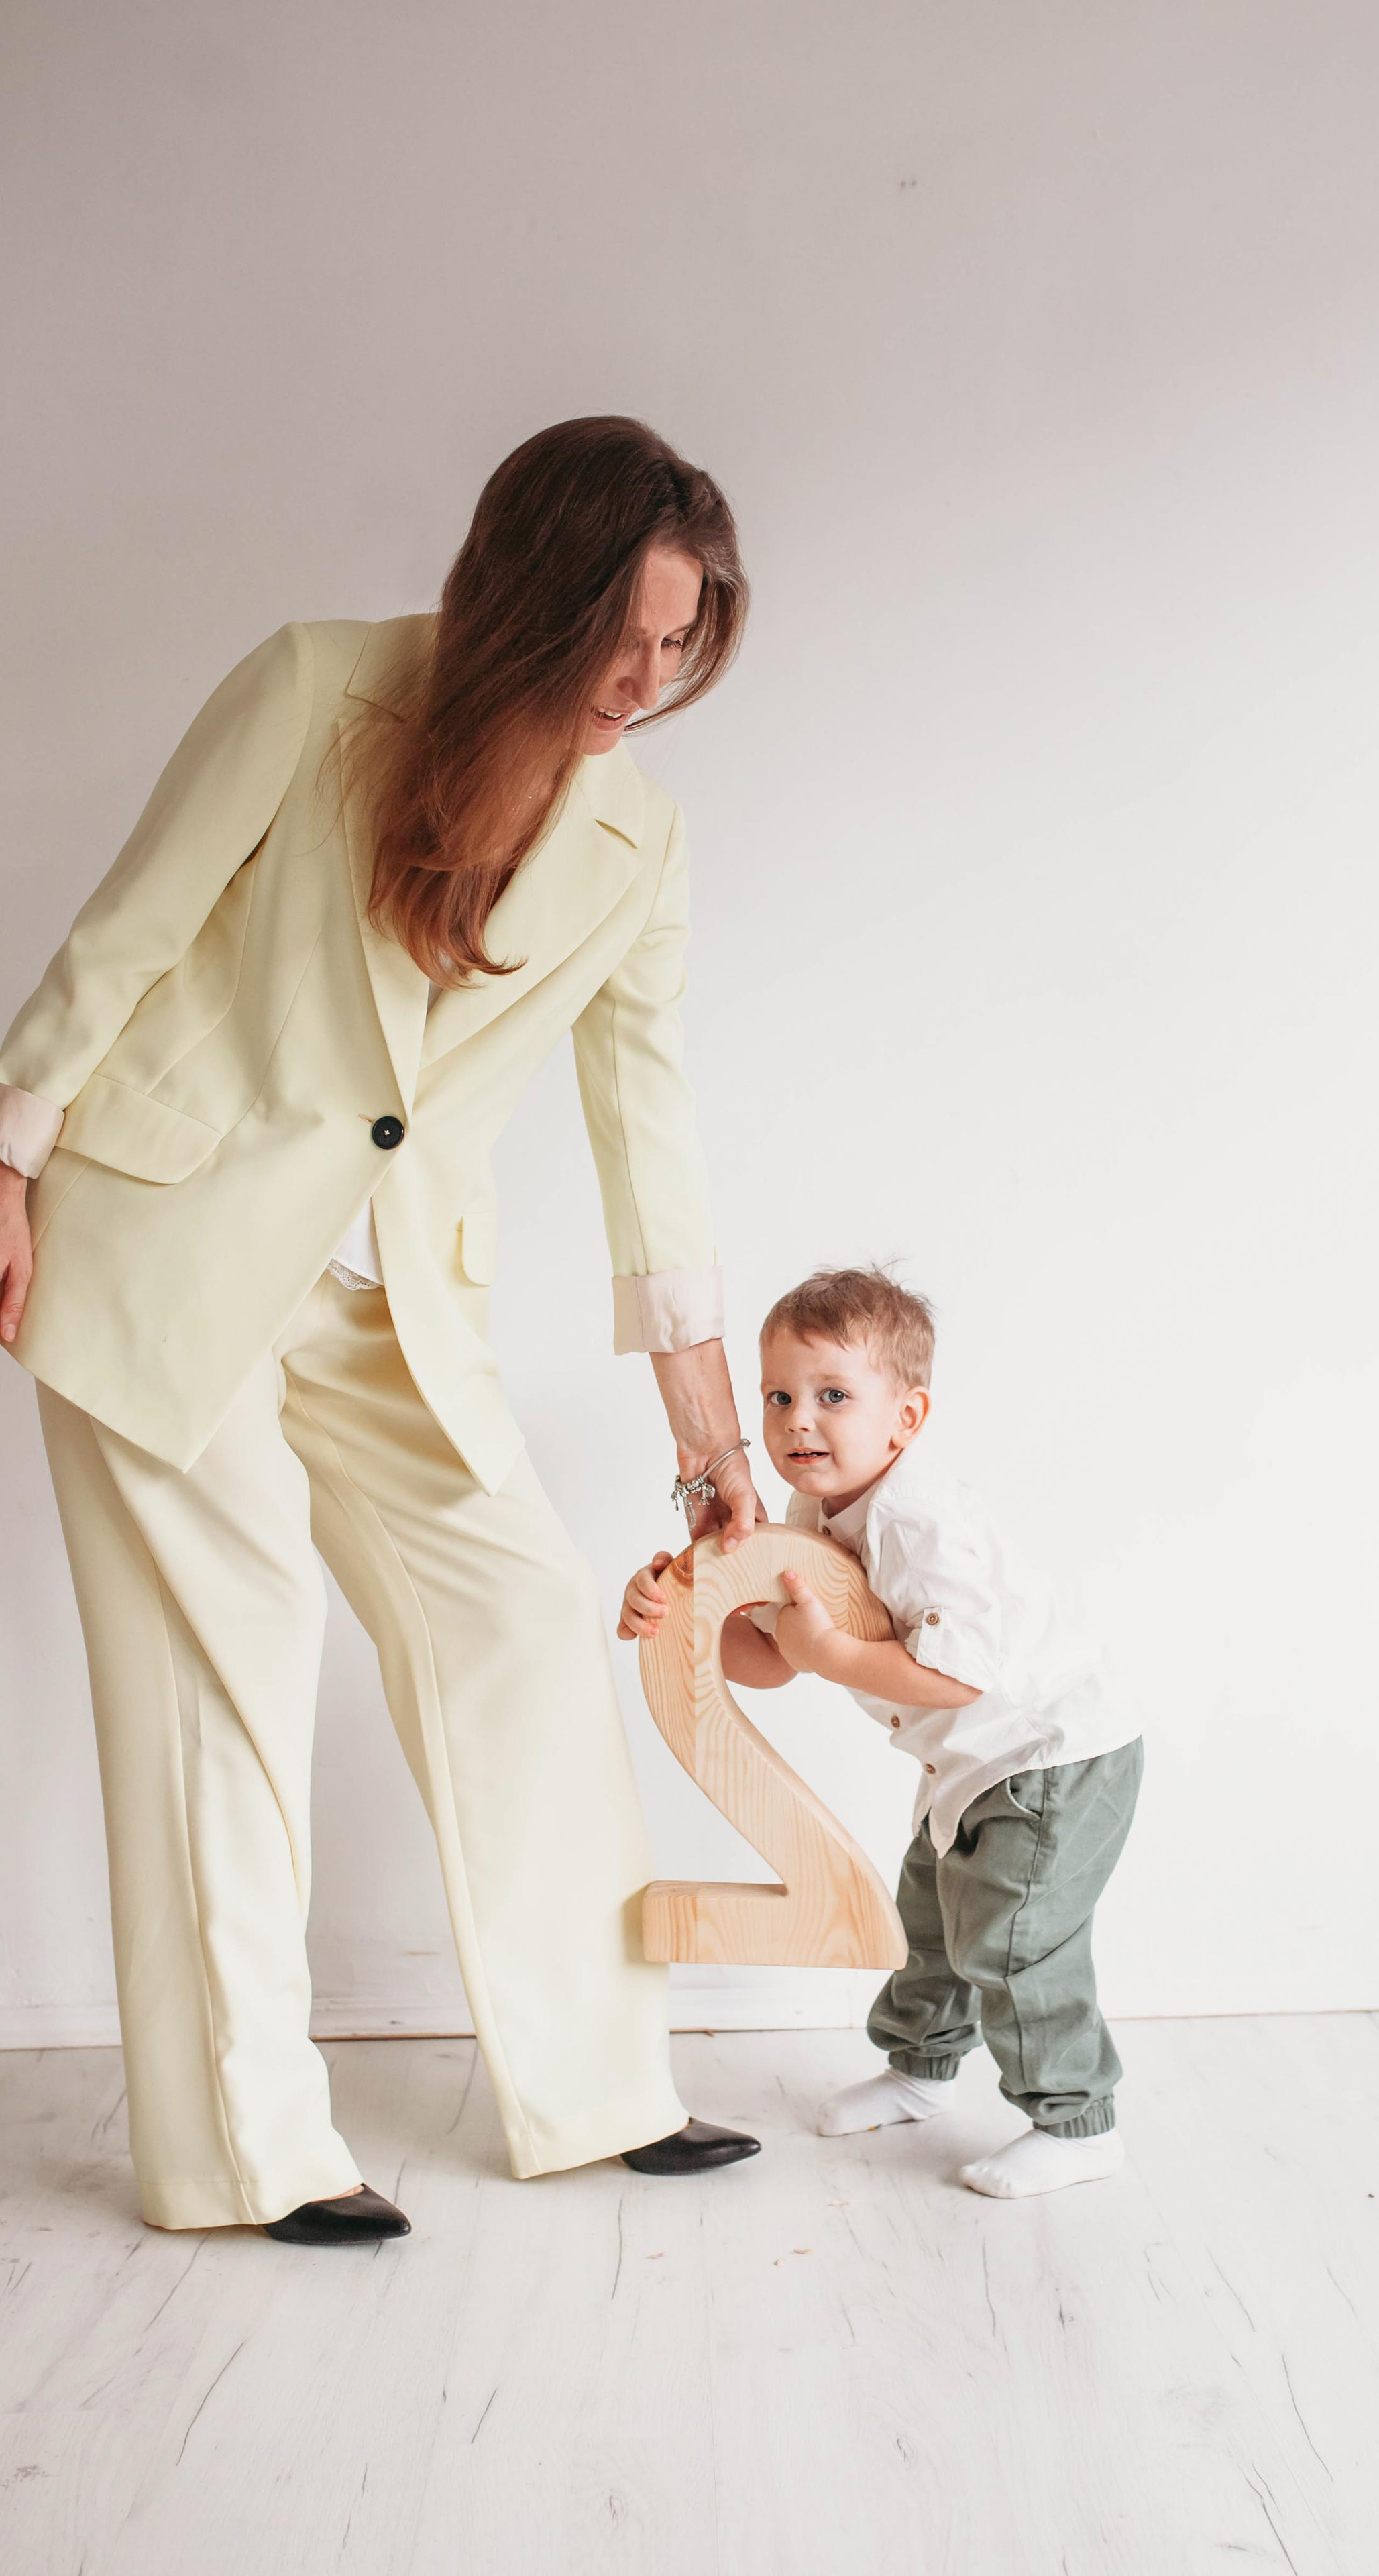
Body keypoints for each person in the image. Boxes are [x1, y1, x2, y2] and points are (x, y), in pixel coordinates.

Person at [0, 417, 768, 2245]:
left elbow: (643, 1134)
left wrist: (711, 1433)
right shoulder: (318, 688)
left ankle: (595, 2092)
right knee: (228, 1667)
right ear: (532, 586)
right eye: (621, 635)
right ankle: (249, 2154)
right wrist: (9, 1151)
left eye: (682, 646)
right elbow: (131, 927)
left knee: (510, 1610)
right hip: (165, 1237)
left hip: (386, 1298)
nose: (641, 684)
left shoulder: (638, 843)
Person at [620, 1267, 1144, 2199]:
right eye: (778, 1397)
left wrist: (826, 1653)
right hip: (971, 1769)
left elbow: (954, 1675)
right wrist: (687, 1612)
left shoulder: (916, 1520)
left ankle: (1076, 2120)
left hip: (1050, 1757)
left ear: (905, 1420)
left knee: (1015, 1942)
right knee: (932, 1923)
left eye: (832, 1397)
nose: (796, 1423)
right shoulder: (811, 1513)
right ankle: (920, 2071)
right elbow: (775, 1656)